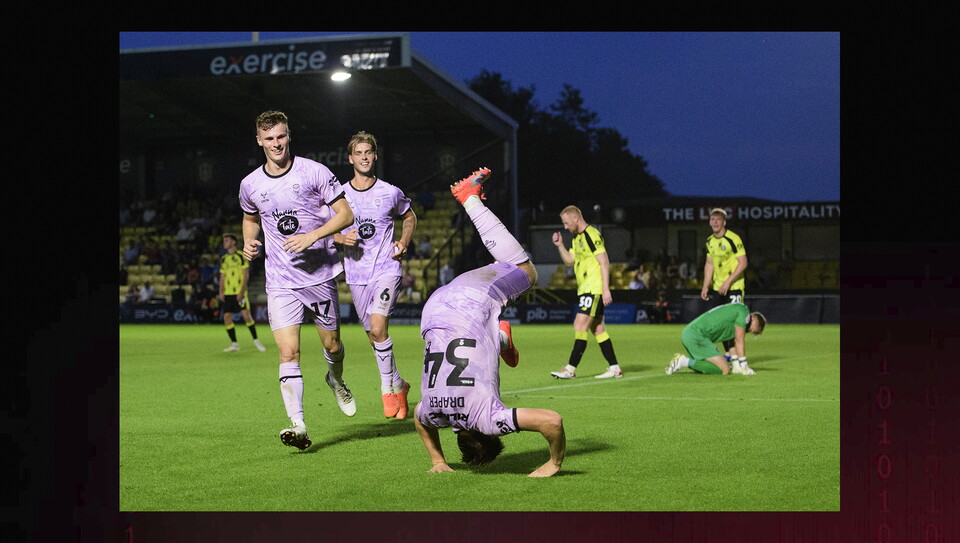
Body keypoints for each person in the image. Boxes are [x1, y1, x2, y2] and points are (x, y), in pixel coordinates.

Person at [413, 167, 566, 478]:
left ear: (488, 434)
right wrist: (438, 461)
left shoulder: (486, 420)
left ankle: (469, 198)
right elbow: (419, 420)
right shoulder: (434, 412)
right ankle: (500, 339)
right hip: (434, 309)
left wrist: (553, 463)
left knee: (524, 271)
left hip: (469, 304)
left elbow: (552, 421)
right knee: (503, 272)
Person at [239, 110, 357, 451]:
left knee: (332, 345)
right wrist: (249, 240)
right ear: (259, 141)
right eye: (269, 138)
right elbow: (250, 218)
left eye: (281, 136)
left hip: (318, 275)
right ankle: (299, 424)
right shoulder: (250, 184)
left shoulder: (314, 172)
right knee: (288, 351)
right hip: (280, 280)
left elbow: (346, 214)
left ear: (288, 135)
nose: (276, 144)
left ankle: (335, 378)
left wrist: (312, 236)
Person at [332, 130, 417, 419]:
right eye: (359, 153)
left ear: (375, 156)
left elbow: (409, 216)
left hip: (386, 269)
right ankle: (400, 384)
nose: (364, 157)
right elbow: (322, 230)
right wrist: (340, 238)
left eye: (368, 152)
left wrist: (403, 241)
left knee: (379, 328)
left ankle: (386, 391)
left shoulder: (390, 192)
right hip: (357, 275)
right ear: (350, 158)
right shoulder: (339, 195)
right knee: (374, 337)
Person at [549, 206, 623, 379]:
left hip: (593, 288)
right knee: (598, 329)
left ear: (576, 219)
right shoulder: (577, 238)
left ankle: (570, 369)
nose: (565, 227)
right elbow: (569, 261)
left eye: (566, 223)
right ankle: (614, 368)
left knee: (579, 325)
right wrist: (560, 245)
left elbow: (604, 262)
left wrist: (605, 289)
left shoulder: (591, 234)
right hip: (585, 289)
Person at [700, 208, 749, 360]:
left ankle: (738, 357)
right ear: (709, 222)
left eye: (718, 219)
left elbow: (743, 262)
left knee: (735, 323)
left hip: (734, 287)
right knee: (721, 324)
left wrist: (728, 282)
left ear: (724, 222)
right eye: (712, 219)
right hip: (717, 288)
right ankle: (729, 355)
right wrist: (705, 285)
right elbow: (709, 264)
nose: (715, 222)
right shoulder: (709, 241)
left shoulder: (733, 239)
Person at [665, 303, 766, 375]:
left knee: (713, 367)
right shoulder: (745, 312)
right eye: (750, 329)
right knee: (725, 370)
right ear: (753, 318)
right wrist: (744, 366)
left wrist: (736, 364)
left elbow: (731, 341)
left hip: (691, 333)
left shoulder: (737, 313)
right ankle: (683, 361)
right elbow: (739, 340)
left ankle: (686, 362)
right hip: (697, 336)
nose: (747, 331)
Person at [218, 233, 267, 353]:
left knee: (246, 315)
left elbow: (245, 274)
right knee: (227, 317)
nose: (224, 242)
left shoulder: (241, 256)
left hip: (239, 292)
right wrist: (221, 291)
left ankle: (256, 341)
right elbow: (222, 277)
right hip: (228, 293)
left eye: (227, 240)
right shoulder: (224, 259)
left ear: (233, 242)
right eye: (224, 240)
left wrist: (242, 291)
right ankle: (234, 344)